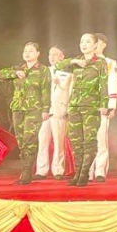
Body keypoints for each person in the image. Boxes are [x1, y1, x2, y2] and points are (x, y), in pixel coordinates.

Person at [0, 42, 52, 185]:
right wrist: (15, 73)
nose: (27, 53)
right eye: (25, 51)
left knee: (29, 139)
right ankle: (24, 171)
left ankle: (27, 173)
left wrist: (46, 110)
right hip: (18, 109)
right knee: (21, 141)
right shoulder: (18, 68)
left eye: (31, 51)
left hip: (34, 109)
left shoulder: (43, 70)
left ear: (38, 54)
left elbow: (46, 90)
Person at [56, 34, 108, 187]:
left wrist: (104, 104)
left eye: (88, 42)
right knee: (76, 141)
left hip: (91, 106)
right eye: (81, 42)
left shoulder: (100, 62)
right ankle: (78, 173)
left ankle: (84, 174)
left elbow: (104, 84)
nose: (84, 44)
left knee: (89, 141)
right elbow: (58, 65)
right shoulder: (76, 61)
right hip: (74, 106)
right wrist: (73, 61)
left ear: (95, 45)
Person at [36, 46, 73, 180]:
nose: (52, 57)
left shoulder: (69, 74)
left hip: (60, 110)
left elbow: (70, 93)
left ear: (62, 56)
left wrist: (68, 110)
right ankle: (41, 170)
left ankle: (58, 170)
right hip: (44, 111)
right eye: (50, 54)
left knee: (58, 141)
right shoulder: (44, 71)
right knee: (42, 140)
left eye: (55, 54)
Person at [90, 33, 117, 183]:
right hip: (85, 104)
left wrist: (111, 106)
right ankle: (86, 171)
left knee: (101, 139)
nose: (96, 45)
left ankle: (100, 171)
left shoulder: (110, 63)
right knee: (86, 140)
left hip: (102, 105)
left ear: (104, 45)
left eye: (99, 42)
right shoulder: (83, 61)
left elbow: (112, 83)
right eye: (94, 42)